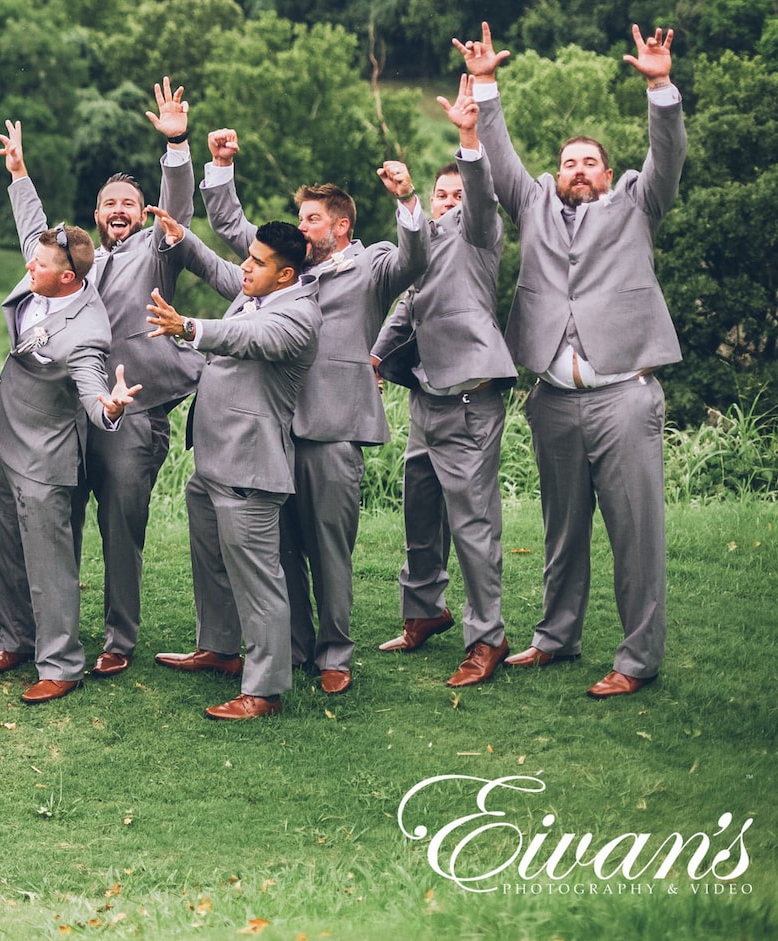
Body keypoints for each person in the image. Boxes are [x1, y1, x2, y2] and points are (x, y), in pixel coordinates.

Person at [457, 22, 684, 699]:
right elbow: (499, 163)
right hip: (552, 398)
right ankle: (556, 637)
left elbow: (667, 156)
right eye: (569, 161)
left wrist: (660, 87)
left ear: (608, 174)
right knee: (562, 529)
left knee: (635, 533)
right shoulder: (535, 206)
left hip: (624, 395)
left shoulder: (638, 203)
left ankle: (637, 659)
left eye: (590, 162)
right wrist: (486, 85)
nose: (578, 170)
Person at [0, 83, 209, 678]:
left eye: (129, 204)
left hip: (130, 416)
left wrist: (176, 145)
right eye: (110, 202)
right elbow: (36, 232)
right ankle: (30, 635)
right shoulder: (76, 262)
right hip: (65, 417)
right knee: (52, 527)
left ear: (142, 214)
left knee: (119, 530)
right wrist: (19, 174)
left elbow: (179, 208)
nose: (119, 210)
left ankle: (118, 637)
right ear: (95, 212)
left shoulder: (157, 250)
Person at [200, 134, 427, 693]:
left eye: (312, 220)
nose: (301, 229)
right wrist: (221, 168)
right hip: (272, 429)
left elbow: (417, 259)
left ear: (341, 226)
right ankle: (294, 647)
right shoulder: (288, 273)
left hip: (332, 428)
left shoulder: (372, 266)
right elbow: (237, 231)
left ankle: (335, 656)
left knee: (328, 550)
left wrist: (408, 203)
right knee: (277, 547)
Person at [370, 76, 518, 688]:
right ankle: (425, 611)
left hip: (470, 399)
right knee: (419, 509)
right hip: (426, 397)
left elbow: (482, 192)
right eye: (441, 195)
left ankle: (489, 638)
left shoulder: (482, 235)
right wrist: (375, 361)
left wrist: (468, 136)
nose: (450, 202)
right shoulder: (423, 243)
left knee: (473, 522)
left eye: (456, 194)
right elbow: (407, 308)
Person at [146, 216, 322, 719]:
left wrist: (188, 327)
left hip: (249, 467)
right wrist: (185, 240)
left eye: (257, 262)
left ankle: (263, 690)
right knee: (211, 564)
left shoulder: (297, 318)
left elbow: (248, 339)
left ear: (286, 276)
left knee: (258, 579)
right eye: (249, 255)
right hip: (213, 462)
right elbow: (222, 272)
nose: (245, 267)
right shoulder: (258, 290)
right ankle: (220, 649)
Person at [0, 198, 139, 706]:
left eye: (39, 265)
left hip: (45, 456)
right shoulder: (49, 268)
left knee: (49, 567)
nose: (29, 266)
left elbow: (93, 389)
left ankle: (62, 665)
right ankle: (16, 641)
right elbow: (34, 230)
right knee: (7, 552)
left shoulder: (87, 332)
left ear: (67, 279)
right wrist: (18, 175)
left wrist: (110, 409)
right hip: (6, 443)